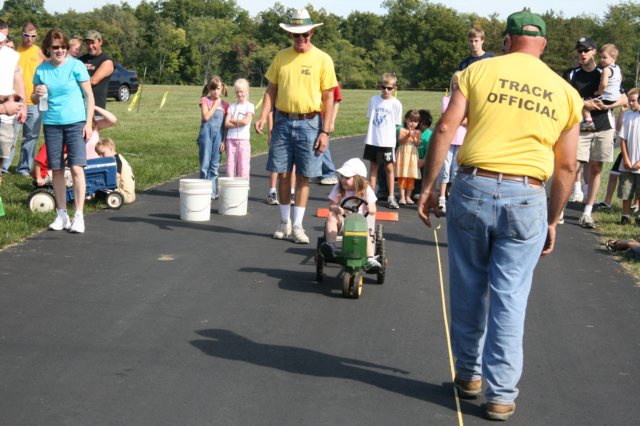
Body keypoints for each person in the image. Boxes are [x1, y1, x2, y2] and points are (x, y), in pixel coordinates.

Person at [417, 11, 581, 421]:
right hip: (527, 195)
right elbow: (567, 168)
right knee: (511, 297)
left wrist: (428, 186)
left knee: (469, 284)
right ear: (542, 44)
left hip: (473, 185)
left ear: (507, 41)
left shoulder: (477, 72)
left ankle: (469, 375)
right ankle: (501, 394)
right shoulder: (565, 92)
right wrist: (553, 219)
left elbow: (443, 130)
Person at [254, 8, 337, 244]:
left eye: (304, 35)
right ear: (290, 35)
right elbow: (271, 89)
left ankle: (298, 225)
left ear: (312, 32)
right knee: (282, 173)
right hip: (282, 121)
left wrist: (325, 131)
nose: (300, 39)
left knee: (303, 176)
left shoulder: (323, 59)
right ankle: (283, 221)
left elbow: (328, 96)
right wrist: (263, 116)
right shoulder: (281, 56)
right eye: (295, 35)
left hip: (310, 123)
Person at [32, 29, 95, 234]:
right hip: (51, 123)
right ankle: (61, 214)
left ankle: (78, 216)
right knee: (56, 170)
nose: (59, 51)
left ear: (67, 48)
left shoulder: (75, 66)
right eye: (54, 48)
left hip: (75, 122)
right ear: (48, 49)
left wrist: (88, 123)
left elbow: (89, 96)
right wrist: (37, 94)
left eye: (62, 47)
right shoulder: (42, 70)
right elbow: (34, 100)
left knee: (77, 168)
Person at [566, 37, 627, 228]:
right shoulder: (571, 74)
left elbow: (623, 98)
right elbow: (564, 98)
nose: (582, 54)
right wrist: (584, 103)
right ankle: (562, 208)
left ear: (593, 52)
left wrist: (605, 105)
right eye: (579, 51)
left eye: (585, 50)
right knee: (572, 166)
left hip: (603, 126)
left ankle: (587, 212)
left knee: (596, 168)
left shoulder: (606, 71)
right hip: (580, 126)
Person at [319, 158, 381, 272]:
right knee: (331, 216)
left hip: (360, 222)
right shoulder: (338, 187)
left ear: (358, 179)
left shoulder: (366, 189)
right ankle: (330, 245)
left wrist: (371, 208)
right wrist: (337, 209)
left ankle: (370, 258)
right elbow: (331, 206)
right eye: (342, 176)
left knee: (365, 232)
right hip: (343, 221)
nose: (343, 180)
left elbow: (373, 208)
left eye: (347, 178)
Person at [9, 22, 46, 177]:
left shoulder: (39, 52)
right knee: (11, 136)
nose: (29, 39)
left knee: (30, 138)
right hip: (16, 101)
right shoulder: (14, 52)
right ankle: (4, 166)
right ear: (21, 34)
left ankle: (24, 168)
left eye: (33, 36)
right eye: (26, 35)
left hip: (34, 102)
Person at [363, 73, 402, 209]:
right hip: (373, 139)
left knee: (389, 168)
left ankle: (391, 196)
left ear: (394, 88)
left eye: (389, 88)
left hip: (387, 141)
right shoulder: (374, 100)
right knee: (373, 168)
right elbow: (371, 117)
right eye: (383, 87)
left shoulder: (396, 104)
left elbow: (396, 124)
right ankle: (371, 196)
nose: (386, 90)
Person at [437, 72, 467, 214]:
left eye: (459, 84)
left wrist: (458, 118)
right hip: (449, 140)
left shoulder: (468, 101)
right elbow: (447, 118)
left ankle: (453, 198)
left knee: (456, 171)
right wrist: (461, 119)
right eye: (454, 84)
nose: (456, 87)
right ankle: (441, 198)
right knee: (445, 169)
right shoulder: (446, 99)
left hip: (461, 140)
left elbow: (469, 120)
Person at [0, 27, 27, 185]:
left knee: (2, 157)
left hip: (6, 118)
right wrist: (4, 107)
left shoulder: (10, 56)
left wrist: (21, 103)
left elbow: (18, 76)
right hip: (5, 110)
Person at [197, 75, 228, 199]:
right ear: (209, 89)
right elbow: (205, 117)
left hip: (219, 135)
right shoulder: (205, 100)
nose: (215, 91)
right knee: (205, 163)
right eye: (213, 89)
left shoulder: (225, 105)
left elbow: (225, 125)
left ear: (222, 89)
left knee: (215, 165)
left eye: (218, 89)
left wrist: (224, 141)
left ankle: (212, 192)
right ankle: (202, 191)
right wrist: (215, 104)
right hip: (206, 134)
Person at [581, 44, 622, 131]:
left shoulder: (606, 70)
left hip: (606, 97)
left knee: (585, 104)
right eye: (601, 57)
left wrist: (598, 92)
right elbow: (620, 80)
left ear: (613, 57)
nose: (601, 60)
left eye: (604, 57)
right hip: (615, 97)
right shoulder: (617, 68)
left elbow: (603, 84)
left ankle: (589, 123)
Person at [311, 83, 343, 185]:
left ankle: (330, 174)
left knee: (323, 147)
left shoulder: (333, 83)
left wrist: (332, 121)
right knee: (315, 146)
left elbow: (336, 102)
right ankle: (319, 173)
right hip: (313, 118)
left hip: (325, 119)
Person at [617, 88, 640, 225]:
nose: (631, 103)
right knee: (626, 190)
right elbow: (623, 139)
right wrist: (625, 158)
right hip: (628, 163)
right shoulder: (628, 116)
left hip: (638, 163)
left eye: (633, 101)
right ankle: (625, 215)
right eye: (629, 100)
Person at [224, 78, 254, 179]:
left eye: (242, 91)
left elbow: (246, 122)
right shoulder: (232, 106)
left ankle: (243, 187)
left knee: (243, 165)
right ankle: (230, 186)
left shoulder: (250, 106)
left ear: (247, 91)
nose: (239, 94)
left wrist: (233, 119)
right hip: (230, 139)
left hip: (243, 139)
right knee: (230, 165)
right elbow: (226, 123)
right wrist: (239, 122)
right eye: (237, 92)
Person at [79, 30, 113, 109]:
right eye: (88, 43)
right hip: (79, 107)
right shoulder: (81, 60)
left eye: (93, 42)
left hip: (96, 108)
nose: (90, 46)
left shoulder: (106, 61)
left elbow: (93, 81)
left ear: (100, 42)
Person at [95, 137, 136, 204]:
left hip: (123, 195)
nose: (101, 156)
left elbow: (116, 175)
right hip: (129, 194)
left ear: (111, 149)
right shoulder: (119, 157)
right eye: (99, 154)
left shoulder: (116, 161)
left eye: (102, 153)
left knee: (98, 191)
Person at [395, 109, 421, 205]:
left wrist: (414, 137)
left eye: (415, 121)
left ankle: (408, 196)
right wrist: (407, 136)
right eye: (411, 121)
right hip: (403, 153)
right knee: (403, 175)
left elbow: (418, 144)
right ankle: (402, 197)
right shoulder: (402, 130)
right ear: (406, 120)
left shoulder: (418, 132)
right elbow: (400, 142)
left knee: (411, 176)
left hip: (412, 154)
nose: (413, 123)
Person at [411, 109, 433, 200]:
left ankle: (418, 191)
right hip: (411, 158)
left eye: (425, 125)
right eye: (422, 123)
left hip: (422, 159)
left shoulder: (429, 134)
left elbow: (429, 151)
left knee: (424, 170)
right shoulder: (412, 132)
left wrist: (423, 160)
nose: (423, 126)